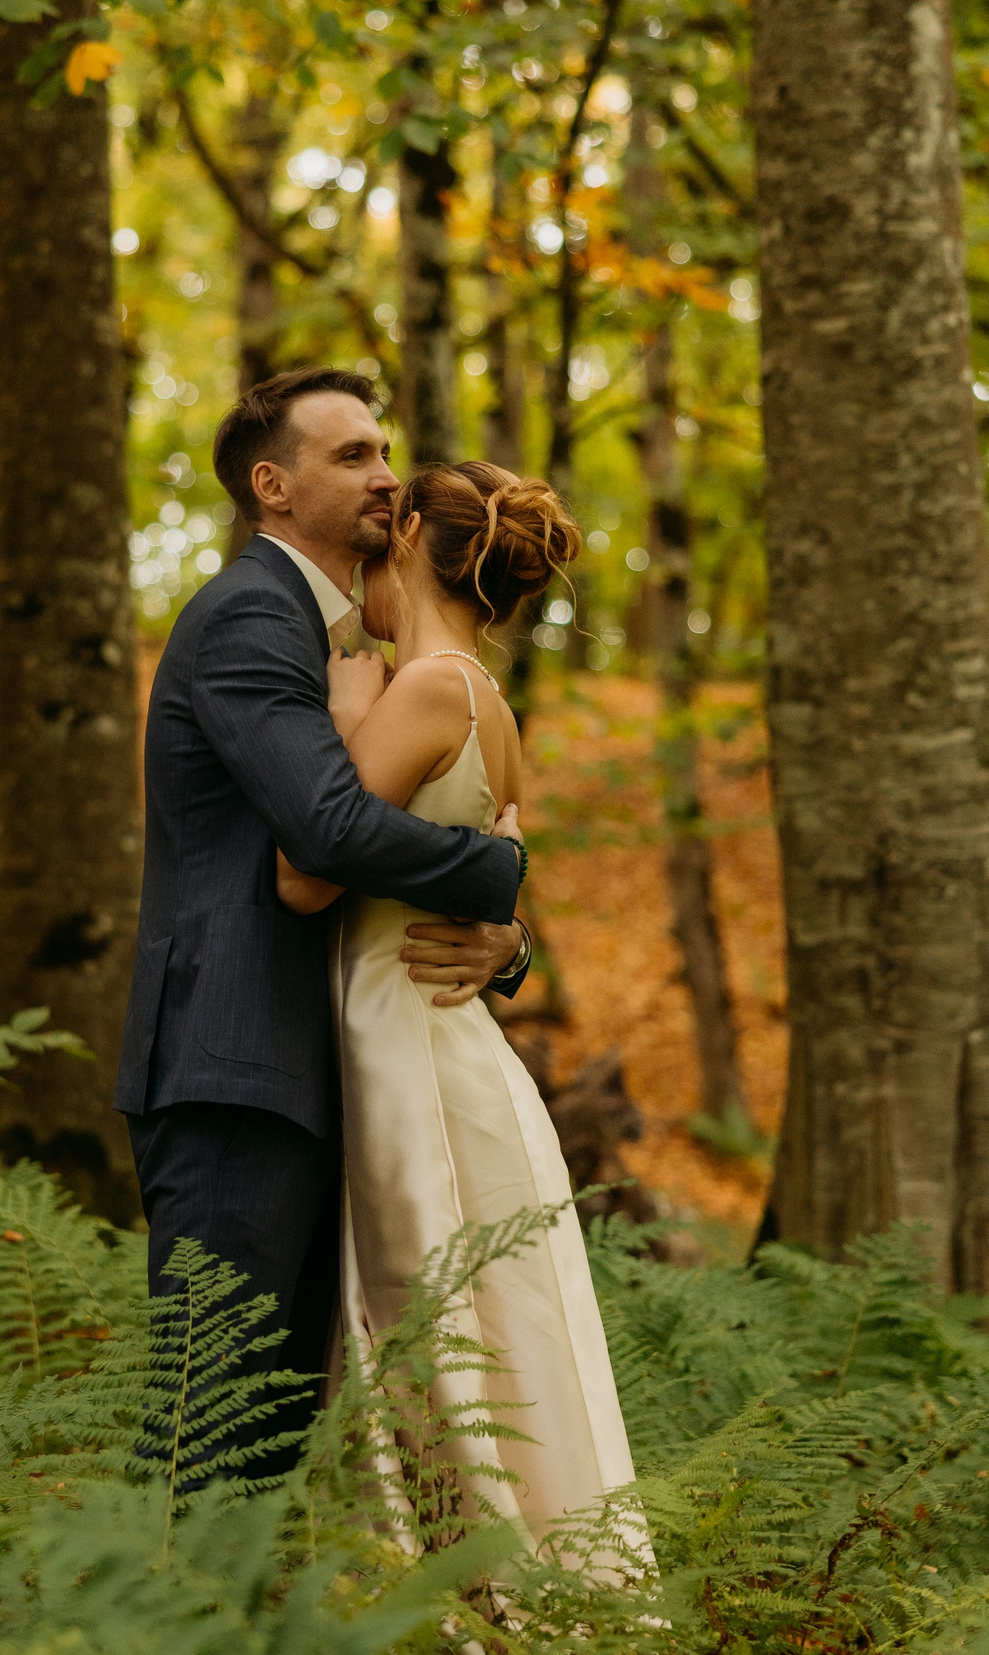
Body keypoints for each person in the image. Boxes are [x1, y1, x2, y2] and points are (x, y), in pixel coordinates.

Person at [115, 369, 532, 1482]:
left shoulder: (360, 651)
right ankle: (152, 1597)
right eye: (352, 455)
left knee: (272, 1439)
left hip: (322, 1074)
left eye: (384, 450)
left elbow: (390, 840)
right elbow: (329, 832)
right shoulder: (253, 614)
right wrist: (500, 874)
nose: (387, 476)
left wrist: (508, 940)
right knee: (213, 1426)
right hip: (234, 1068)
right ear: (273, 485)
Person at [276, 461, 637, 1559]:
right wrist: (507, 938)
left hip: (407, 1046)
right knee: (490, 1333)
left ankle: (464, 1591)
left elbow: (307, 874)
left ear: (408, 540)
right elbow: (492, 878)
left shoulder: (427, 689)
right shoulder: (489, 700)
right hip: (446, 1037)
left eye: (379, 536)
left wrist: (345, 725)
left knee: (424, 1325)